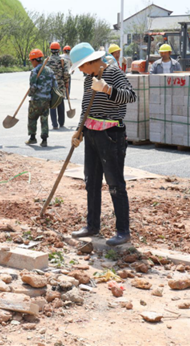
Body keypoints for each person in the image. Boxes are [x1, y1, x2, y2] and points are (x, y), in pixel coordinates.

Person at [69, 42, 137, 246]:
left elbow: (131, 96)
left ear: (91, 62)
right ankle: (92, 225)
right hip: (91, 133)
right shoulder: (88, 78)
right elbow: (85, 106)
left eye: (81, 66)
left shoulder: (113, 72)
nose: (80, 70)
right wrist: (79, 129)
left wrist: (107, 89)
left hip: (110, 134)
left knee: (115, 183)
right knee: (91, 181)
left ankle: (123, 231)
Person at [26, 49, 56, 148]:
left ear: (34, 60)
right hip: (46, 100)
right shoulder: (50, 71)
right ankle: (44, 140)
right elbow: (54, 86)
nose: (31, 63)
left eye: (31, 61)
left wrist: (30, 93)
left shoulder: (34, 71)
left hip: (36, 101)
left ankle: (32, 137)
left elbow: (33, 87)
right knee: (44, 119)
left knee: (32, 118)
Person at [46, 42, 70, 129]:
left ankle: (54, 124)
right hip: (60, 85)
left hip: (51, 86)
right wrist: (66, 82)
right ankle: (61, 123)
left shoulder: (47, 61)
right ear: (59, 50)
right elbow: (66, 73)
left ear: (51, 50)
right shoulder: (63, 60)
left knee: (52, 104)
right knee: (60, 103)